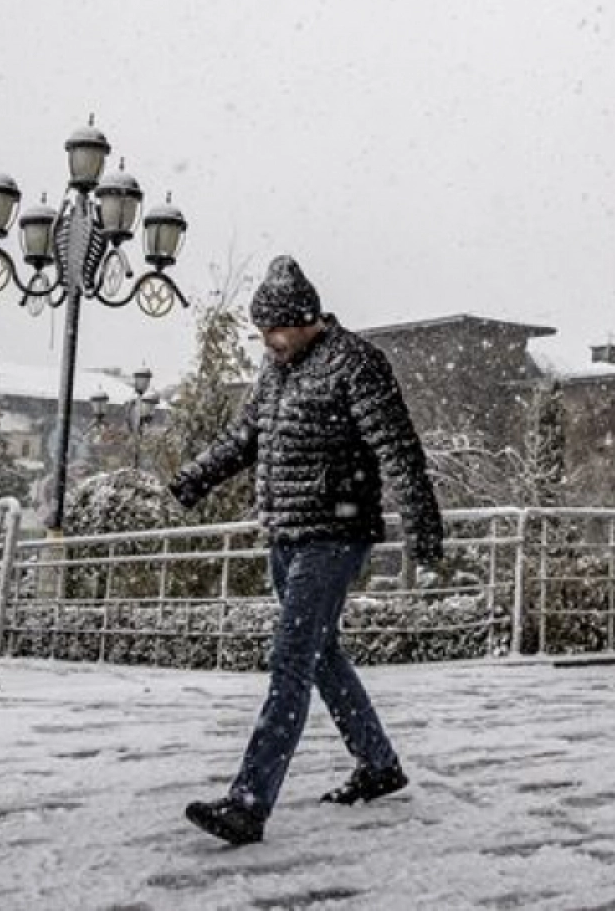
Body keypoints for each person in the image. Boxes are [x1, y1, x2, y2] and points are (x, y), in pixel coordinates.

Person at [170, 255, 445, 846]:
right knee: (319, 656)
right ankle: (378, 764)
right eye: (263, 332)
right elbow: (245, 437)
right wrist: (196, 477)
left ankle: (249, 803)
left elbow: (398, 449)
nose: (269, 342)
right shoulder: (273, 371)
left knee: (291, 660)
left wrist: (423, 526)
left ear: (307, 319)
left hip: (335, 534)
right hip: (285, 533)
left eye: (277, 330)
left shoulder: (356, 364)